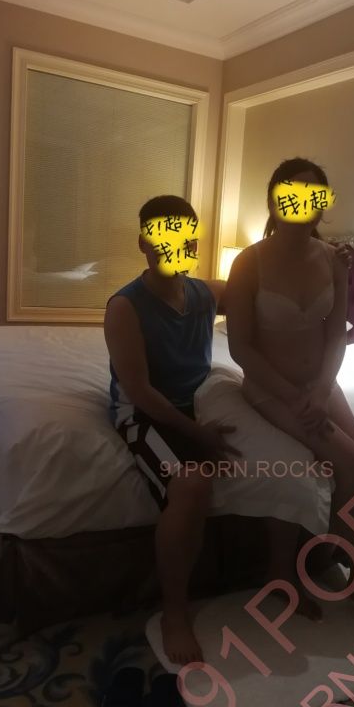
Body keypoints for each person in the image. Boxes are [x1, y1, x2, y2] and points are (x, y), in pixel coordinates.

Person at [226, 158, 354, 630]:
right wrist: (293, 396)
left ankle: (327, 561)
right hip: (270, 388)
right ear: (273, 201)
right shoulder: (248, 263)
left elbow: (336, 335)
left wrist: (322, 390)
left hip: (321, 387)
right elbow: (240, 347)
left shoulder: (333, 260)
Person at [104, 195, 239, 666]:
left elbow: (263, 287)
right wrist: (197, 435)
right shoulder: (125, 306)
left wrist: (328, 261)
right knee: (193, 483)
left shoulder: (205, 294)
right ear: (143, 243)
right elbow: (139, 392)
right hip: (144, 413)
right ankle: (174, 611)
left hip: (195, 402)